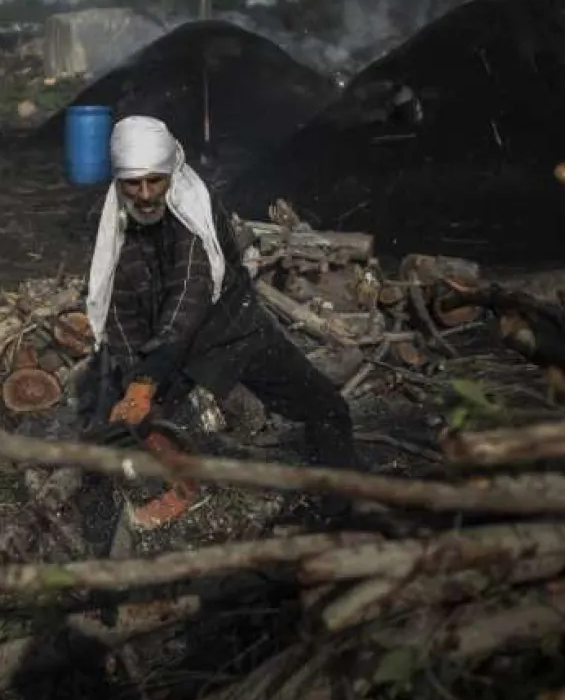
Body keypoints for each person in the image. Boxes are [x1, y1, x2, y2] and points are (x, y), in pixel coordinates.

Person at [83, 115, 361, 525]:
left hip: (233, 328)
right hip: (170, 351)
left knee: (326, 407)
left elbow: (191, 293)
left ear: (171, 174)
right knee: (129, 432)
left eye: (154, 182)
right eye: (132, 184)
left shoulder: (194, 210)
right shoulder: (115, 226)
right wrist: (133, 379)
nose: (144, 195)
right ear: (118, 180)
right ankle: (147, 515)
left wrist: (145, 381)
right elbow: (120, 310)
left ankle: (338, 513)